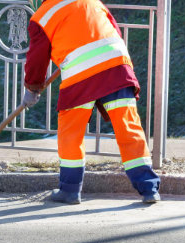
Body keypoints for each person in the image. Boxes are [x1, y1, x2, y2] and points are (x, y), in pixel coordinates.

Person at [23, 0, 161, 204]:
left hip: (80, 76)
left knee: (71, 133)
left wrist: (33, 87)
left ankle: (70, 191)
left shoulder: (41, 17)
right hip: (117, 67)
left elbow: (37, 57)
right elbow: (112, 29)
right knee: (128, 127)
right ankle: (149, 188)